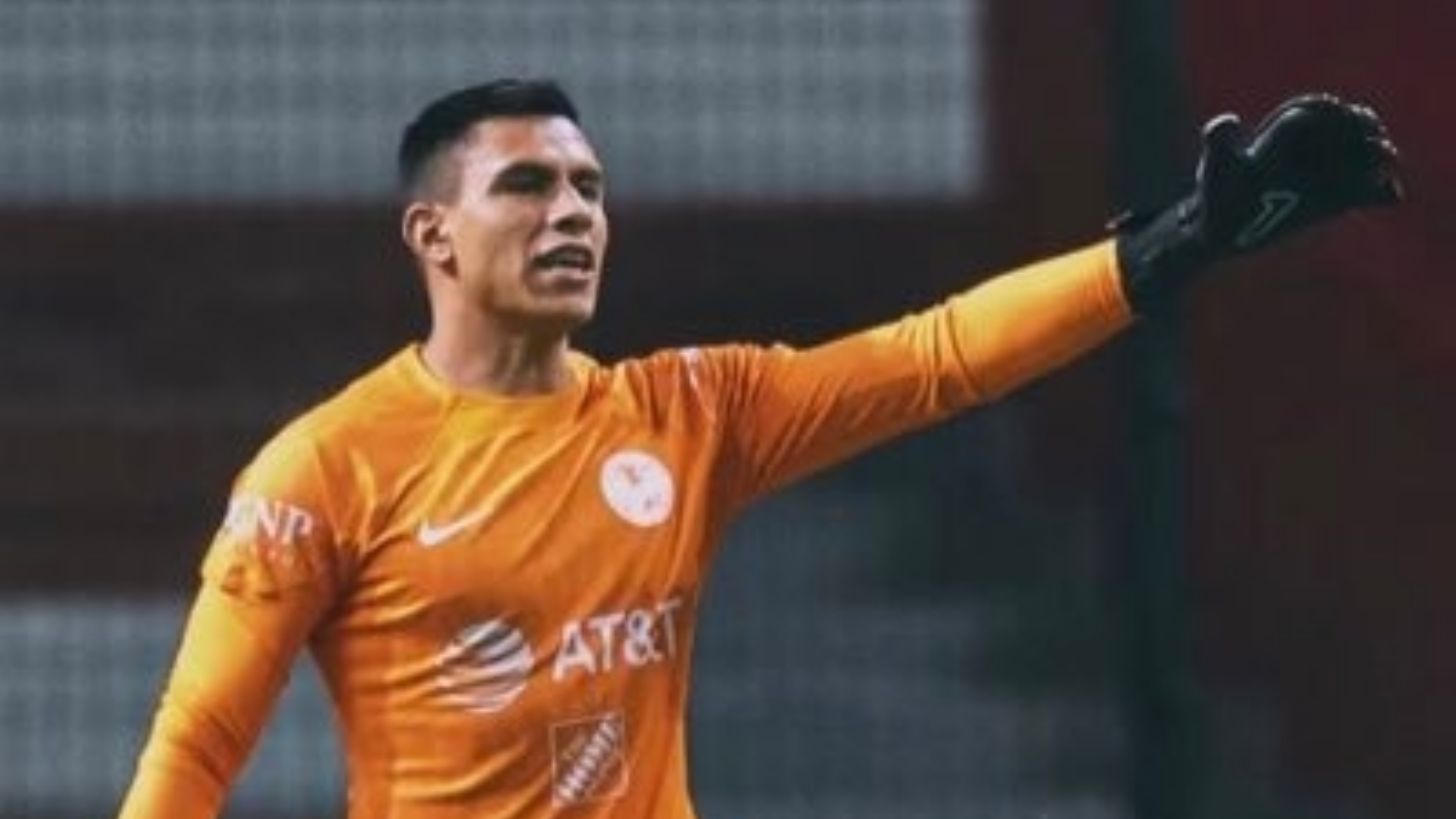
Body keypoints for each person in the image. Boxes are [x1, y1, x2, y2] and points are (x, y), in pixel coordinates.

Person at [116, 78, 1401, 818]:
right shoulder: (325, 467)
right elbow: (197, 742)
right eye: (526, 186)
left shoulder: (692, 411)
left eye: (589, 188)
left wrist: (1175, 245)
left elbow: (938, 354)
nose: (573, 213)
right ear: (431, 235)